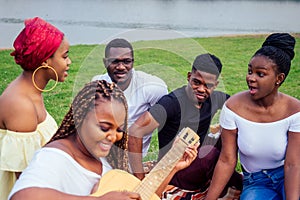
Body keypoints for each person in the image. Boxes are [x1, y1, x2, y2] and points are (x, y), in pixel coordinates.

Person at [8, 80, 198, 200]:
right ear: (79, 117)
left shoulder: (102, 157)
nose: (113, 136)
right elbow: (21, 196)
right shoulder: (54, 156)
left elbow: (144, 196)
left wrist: (172, 166)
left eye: (119, 130)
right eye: (105, 127)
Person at [128, 53, 243, 199]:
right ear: (189, 77)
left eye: (208, 85)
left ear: (215, 85)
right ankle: (239, 183)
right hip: (174, 171)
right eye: (196, 82)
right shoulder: (172, 103)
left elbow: (240, 104)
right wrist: (141, 180)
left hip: (197, 162)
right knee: (210, 153)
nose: (201, 89)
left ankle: (233, 181)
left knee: (228, 134)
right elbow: (134, 132)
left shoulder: (214, 98)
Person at [205, 33, 300, 200]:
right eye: (250, 71)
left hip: (289, 175)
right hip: (256, 181)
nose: (251, 78)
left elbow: (293, 165)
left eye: (260, 74)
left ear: (279, 79)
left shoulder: (294, 111)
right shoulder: (233, 108)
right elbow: (227, 160)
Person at [0, 17, 71, 200]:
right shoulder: (20, 105)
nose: (69, 62)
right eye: (64, 56)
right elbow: (25, 185)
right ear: (46, 60)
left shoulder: (32, 92)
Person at [92, 38, 168, 157]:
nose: (121, 67)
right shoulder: (97, 84)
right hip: (100, 155)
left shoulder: (152, 88)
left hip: (132, 160)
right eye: (114, 61)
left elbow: (166, 123)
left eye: (126, 61)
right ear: (105, 62)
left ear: (133, 62)